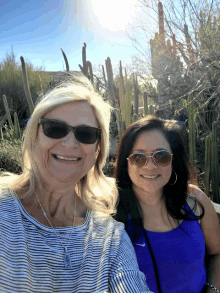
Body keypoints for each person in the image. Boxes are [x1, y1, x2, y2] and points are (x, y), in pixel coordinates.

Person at [0, 74, 152, 293]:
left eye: (86, 134)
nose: (70, 143)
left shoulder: (110, 237)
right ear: (34, 136)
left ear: (98, 150)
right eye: (55, 128)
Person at [114, 115, 220, 293]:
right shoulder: (110, 214)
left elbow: (217, 253)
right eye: (138, 157)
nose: (150, 166)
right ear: (127, 163)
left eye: (161, 156)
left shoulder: (195, 201)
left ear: (173, 160)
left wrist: (213, 290)